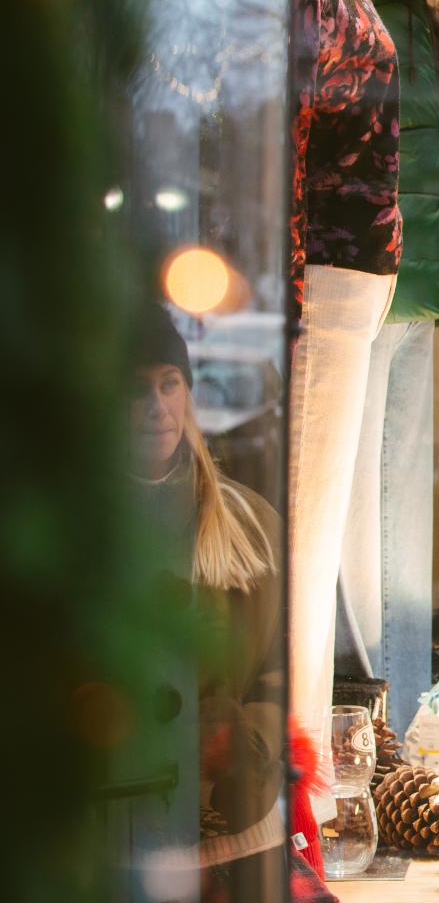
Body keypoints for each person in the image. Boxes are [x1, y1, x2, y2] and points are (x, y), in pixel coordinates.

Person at [129, 305, 290, 894]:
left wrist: (245, 741)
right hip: (119, 839)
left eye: (169, 383)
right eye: (135, 387)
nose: (157, 407)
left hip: (236, 835)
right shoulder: (72, 538)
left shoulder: (248, 527)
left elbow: (278, 667)